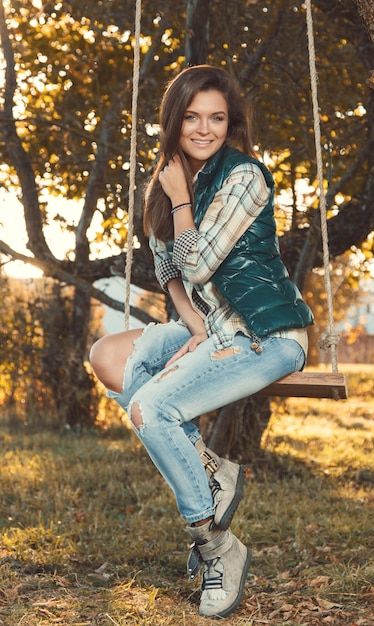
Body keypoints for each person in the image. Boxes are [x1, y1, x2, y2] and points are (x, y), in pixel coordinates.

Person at [89, 64, 314, 619]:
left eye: (216, 118)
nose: (204, 129)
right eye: (192, 117)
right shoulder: (163, 183)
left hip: (267, 334)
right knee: (110, 355)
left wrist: (181, 198)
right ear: (174, 121)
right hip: (213, 329)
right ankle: (212, 467)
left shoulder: (245, 178)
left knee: (151, 408)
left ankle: (217, 545)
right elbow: (168, 268)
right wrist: (192, 327)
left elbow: (200, 259)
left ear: (230, 123)